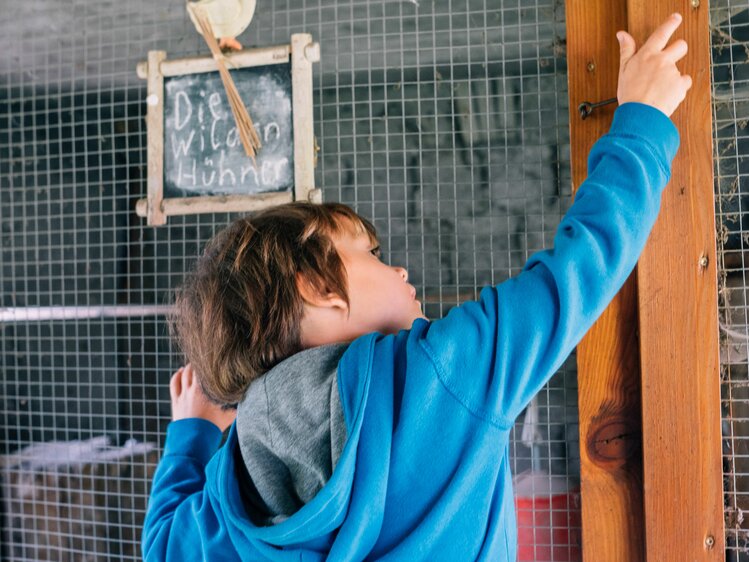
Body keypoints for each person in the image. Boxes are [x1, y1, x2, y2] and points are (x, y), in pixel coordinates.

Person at [142, 13, 692, 561]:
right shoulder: (440, 374)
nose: (399, 270)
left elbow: (165, 545)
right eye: (370, 252)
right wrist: (640, 122)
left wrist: (197, 436)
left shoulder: (228, 500)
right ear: (317, 287)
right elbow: (577, 272)